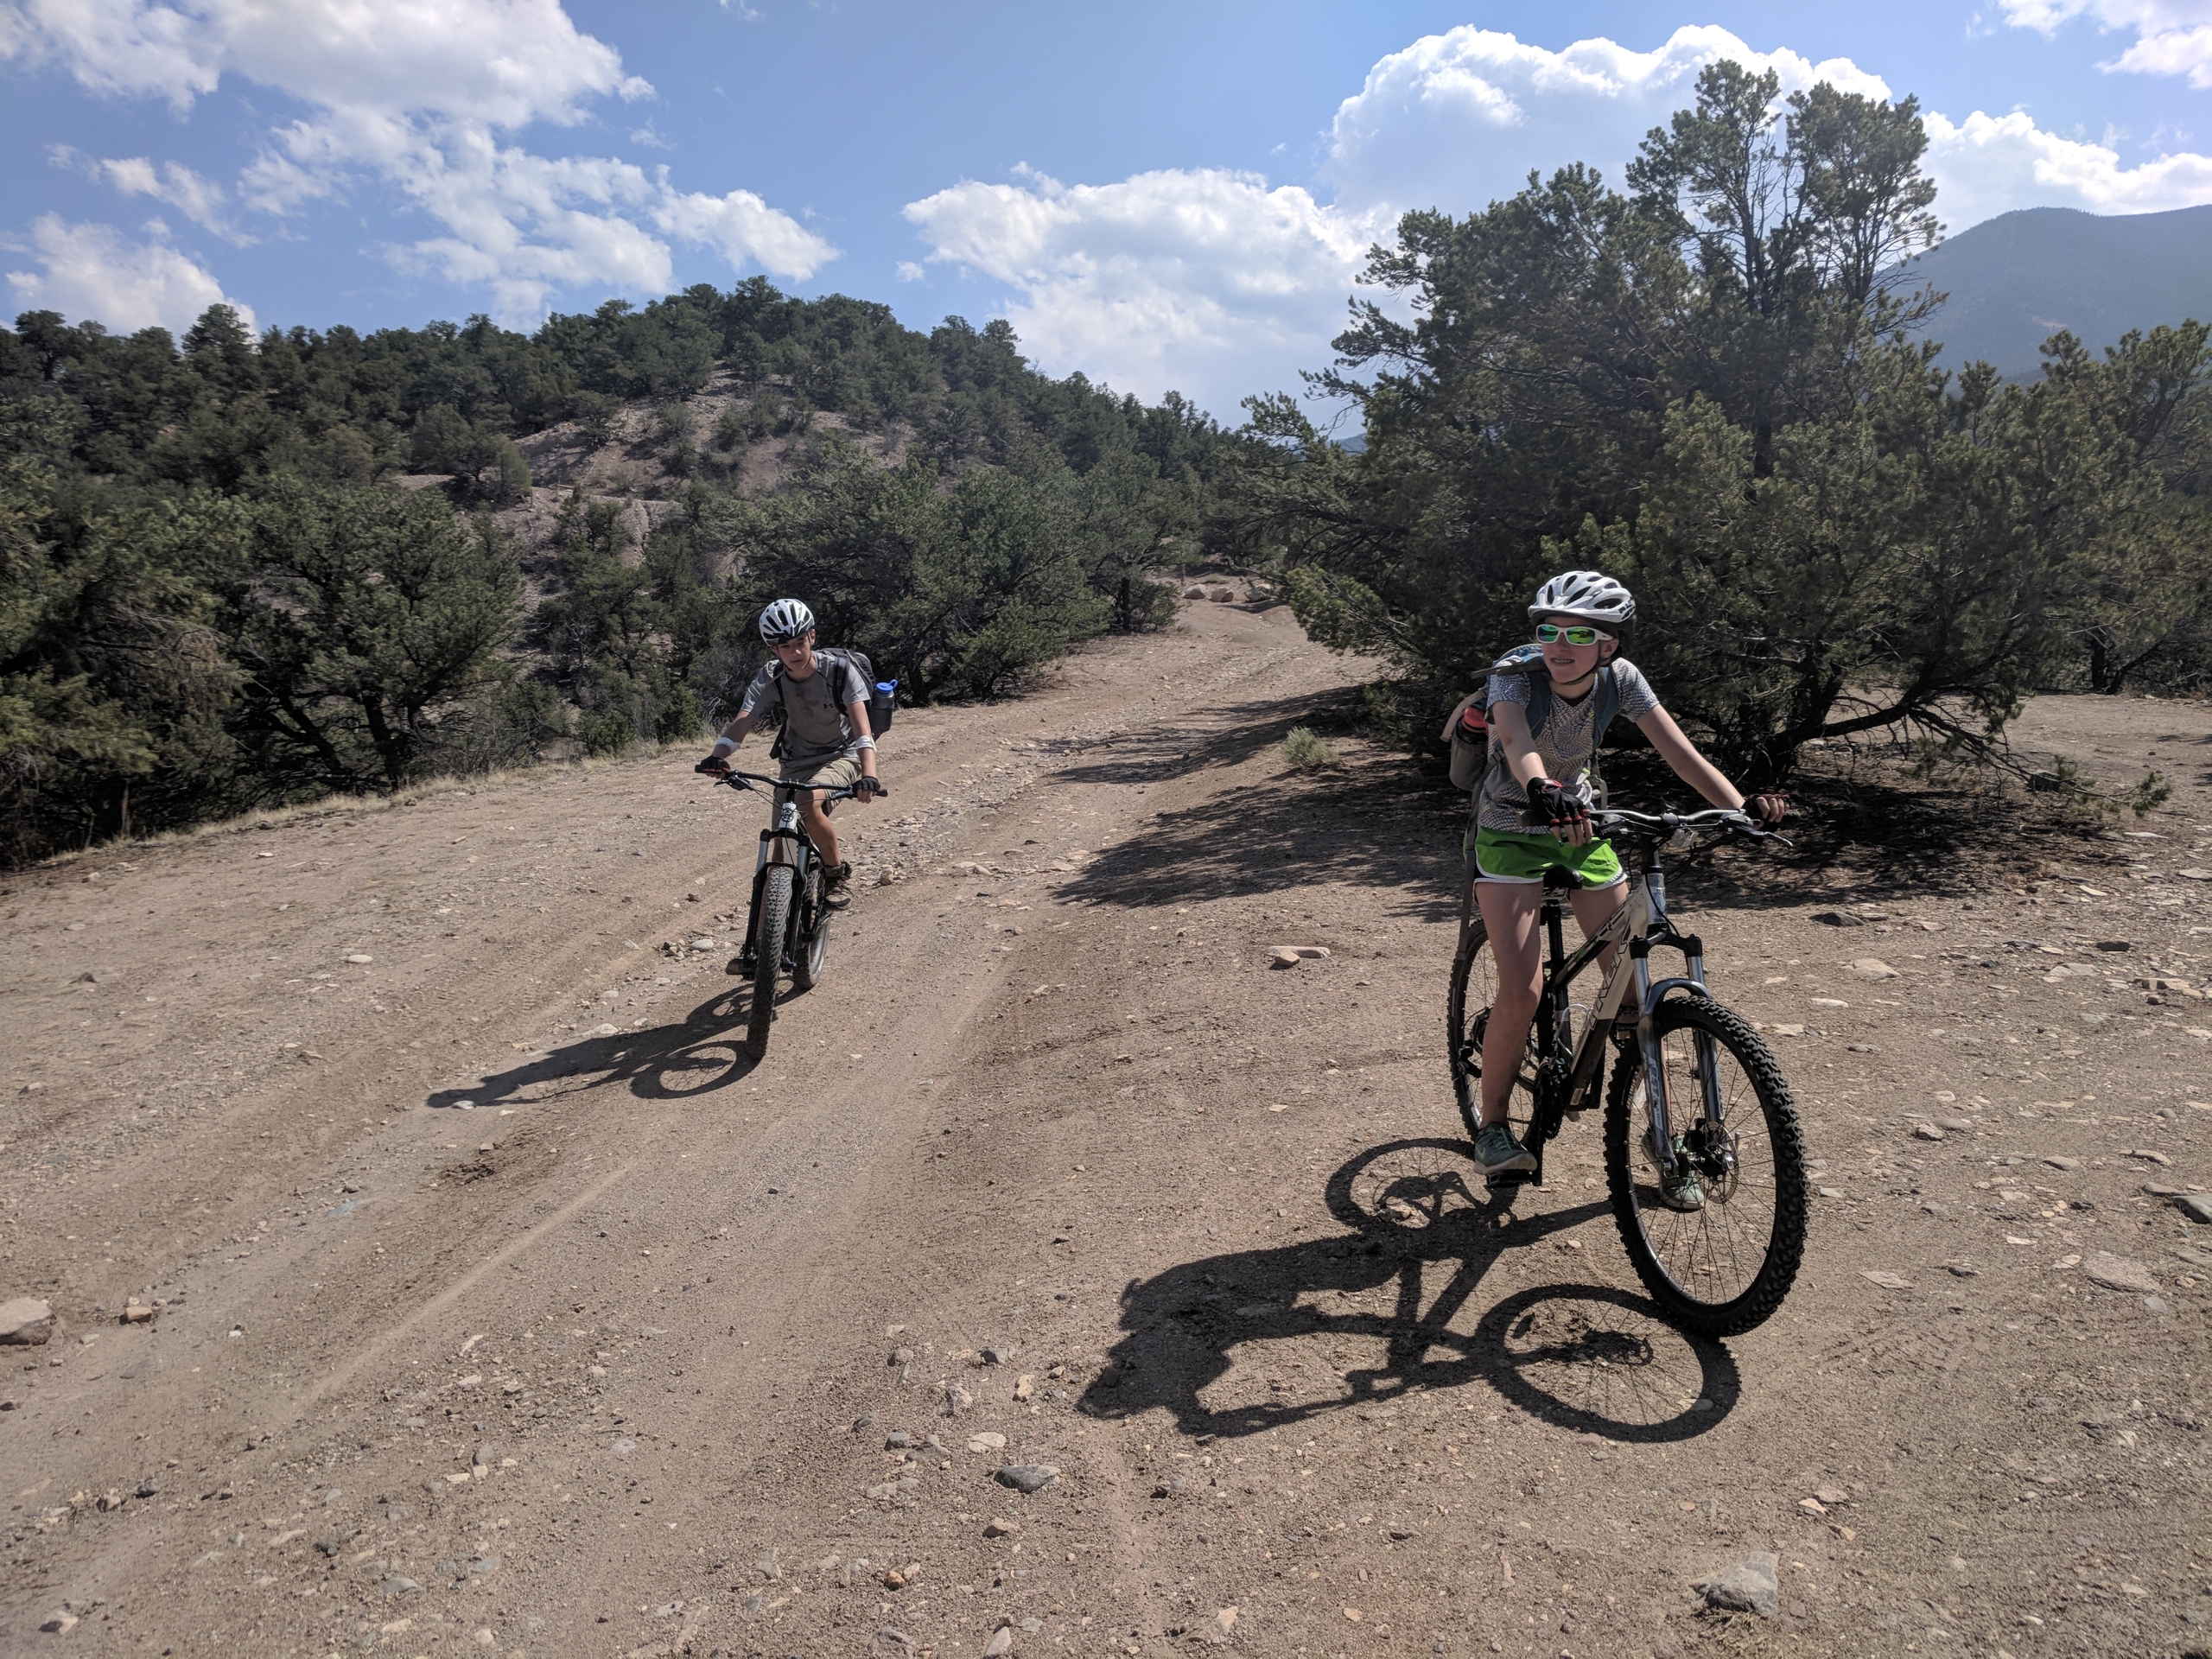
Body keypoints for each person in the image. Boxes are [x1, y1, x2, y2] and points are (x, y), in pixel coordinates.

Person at [1452, 570, 1787, 1207]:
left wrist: (1742, 809)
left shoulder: (1623, 680)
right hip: (1510, 826)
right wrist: (1539, 788)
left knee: (1634, 1000)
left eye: (1580, 633)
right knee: (1521, 988)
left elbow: (1682, 755)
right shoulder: (1514, 672)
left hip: (1581, 825)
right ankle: (1494, 1127)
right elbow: (1518, 740)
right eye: (1548, 629)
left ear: (1609, 644)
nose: (1559, 642)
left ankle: (1664, 1140)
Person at [696, 600, 881, 957]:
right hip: (794, 761)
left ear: (812, 636)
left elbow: (862, 732)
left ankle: (834, 874)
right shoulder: (771, 675)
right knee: (778, 852)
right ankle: (761, 949)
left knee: (808, 806)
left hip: (841, 756)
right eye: (785, 646)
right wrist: (718, 756)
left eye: (800, 642)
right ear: (774, 648)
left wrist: (869, 775)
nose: (794, 652)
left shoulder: (840, 671)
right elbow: (744, 720)